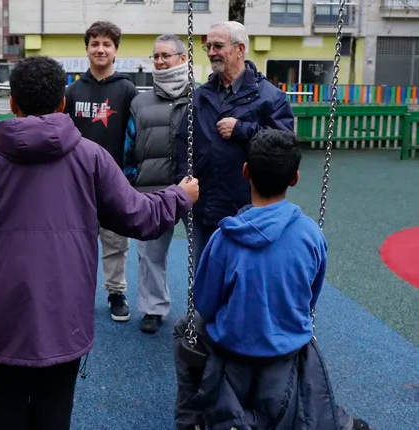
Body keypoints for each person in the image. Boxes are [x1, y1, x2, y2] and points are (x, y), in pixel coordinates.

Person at [0, 55, 199, 430]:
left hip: (0, 314)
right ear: (63, 103)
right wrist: (179, 196)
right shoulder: (90, 157)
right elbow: (141, 216)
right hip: (64, 314)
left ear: (12, 103)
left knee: (3, 414)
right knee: (54, 414)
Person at [173, 129, 370, 430]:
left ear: (245, 171)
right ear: (295, 179)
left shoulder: (225, 239)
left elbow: (206, 303)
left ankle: (191, 417)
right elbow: (310, 297)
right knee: (303, 333)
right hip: (287, 347)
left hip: (233, 347)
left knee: (183, 329)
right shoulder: (310, 235)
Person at [174, 21, 294, 270]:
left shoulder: (270, 97)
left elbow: (285, 145)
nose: (211, 52)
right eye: (208, 46)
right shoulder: (200, 96)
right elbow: (182, 140)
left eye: (218, 46)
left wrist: (242, 130)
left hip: (248, 207)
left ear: (240, 49)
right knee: (204, 270)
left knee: (244, 271)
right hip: (205, 204)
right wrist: (184, 178)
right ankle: (201, 310)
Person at [64, 21, 139, 323]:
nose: (100, 49)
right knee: (75, 243)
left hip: (115, 182)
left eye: (107, 44)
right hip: (77, 184)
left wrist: (130, 176)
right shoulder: (71, 91)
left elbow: (134, 136)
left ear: (116, 50)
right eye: (95, 43)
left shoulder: (127, 89)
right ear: (87, 49)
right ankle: (76, 293)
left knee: (116, 243)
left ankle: (116, 293)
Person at [123, 34, 190, 334]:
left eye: (167, 55)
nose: (161, 62)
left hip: (193, 187)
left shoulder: (200, 98)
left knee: (202, 252)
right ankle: (153, 308)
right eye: (156, 56)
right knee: (150, 254)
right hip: (152, 188)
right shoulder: (141, 102)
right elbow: (129, 143)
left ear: (183, 59)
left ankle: (202, 309)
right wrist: (131, 179)